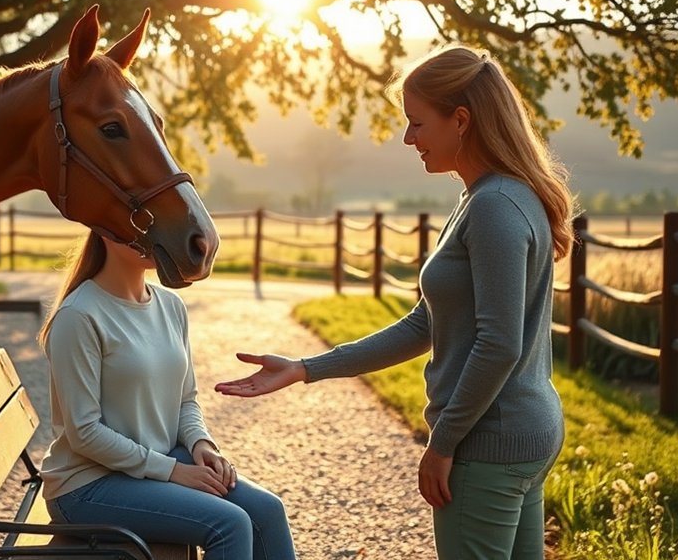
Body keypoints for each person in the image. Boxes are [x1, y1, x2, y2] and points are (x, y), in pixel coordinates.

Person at [216, 45, 576, 560]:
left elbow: (499, 345)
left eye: (416, 123)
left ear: (461, 120)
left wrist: (444, 443)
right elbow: (422, 324)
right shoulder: (489, 197)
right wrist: (303, 368)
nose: (408, 139)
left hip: (487, 443)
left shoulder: (495, 205)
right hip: (519, 434)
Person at [38, 231, 297, 560]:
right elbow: (84, 433)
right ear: (105, 232)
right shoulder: (78, 316)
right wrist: (174, 471)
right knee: (230, 524)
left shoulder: (171, 305)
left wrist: (200, 444)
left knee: (267, 512)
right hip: (87, 485)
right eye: (138, 228)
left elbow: (186, 398)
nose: (152, 237)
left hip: (155, 462)